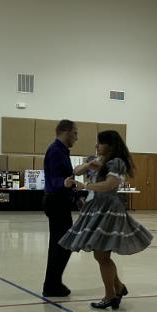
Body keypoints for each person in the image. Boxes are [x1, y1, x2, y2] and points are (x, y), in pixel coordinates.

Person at [59, 130, 153, 310]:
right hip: (96, 208)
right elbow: (76, 170)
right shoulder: (99, 160)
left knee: (101, 255)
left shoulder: (116, 163)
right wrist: (89, 165)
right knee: (101, 255)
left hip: (108, 210)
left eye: (100, 143)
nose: (97, 146)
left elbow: (110, 185)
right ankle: (118, 288)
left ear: (110, 145)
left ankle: (111, 295)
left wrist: (85, 185)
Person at [42, 120, 93, 297]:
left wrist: (76, 197)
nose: (77, 138)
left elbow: (66, 178)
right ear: (66, 131)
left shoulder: (61, 151)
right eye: (75, 133)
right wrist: (63, 184)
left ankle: (53, 283)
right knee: (62, 245)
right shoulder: (56, 151)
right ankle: (52, 285)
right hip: (56, 202)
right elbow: (57, 178)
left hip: (60, 201)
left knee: (60, 245)